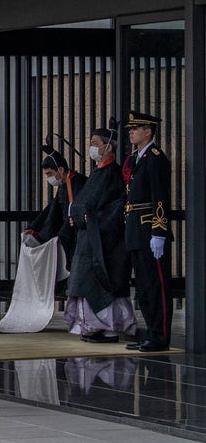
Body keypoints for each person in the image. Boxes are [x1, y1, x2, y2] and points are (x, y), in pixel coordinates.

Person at [65, 121, 136, 343]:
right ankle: (91, 327)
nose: (92, 147)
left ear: (108, 147)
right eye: (90, 143)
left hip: (104, 241)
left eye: (95, 143)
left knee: (101, 283)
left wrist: (90, 218)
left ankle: (109, 328)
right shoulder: (96, 173)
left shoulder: (114, 175)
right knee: (84, 283)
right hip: (87, 238)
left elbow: (115, 208)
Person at [122, 111, 174, 352]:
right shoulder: (136, 158)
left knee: (157, 286)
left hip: (150, 229)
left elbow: (160, 197)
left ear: (148, 131)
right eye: (131, 129)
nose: (131, 132)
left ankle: (160, 336)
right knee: (143, 287)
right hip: (135, 229)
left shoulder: (156, 159)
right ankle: (150, 333)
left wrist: (159, 231)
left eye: (136, 128)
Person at [22, 145, 86, 276]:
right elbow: (52, 210)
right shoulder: (65, 184)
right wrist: (35, 228)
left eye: (50, 173)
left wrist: (63, 233)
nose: (48, 178)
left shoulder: (78, 183)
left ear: (61, 169)